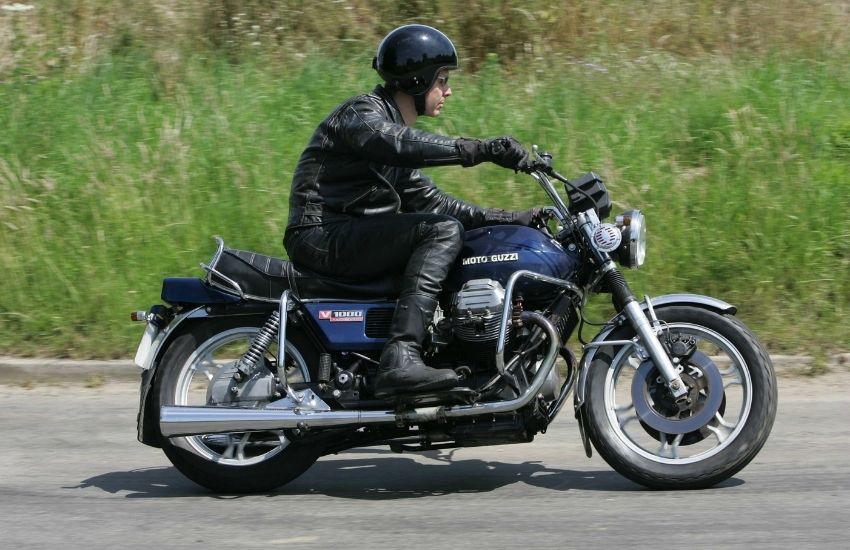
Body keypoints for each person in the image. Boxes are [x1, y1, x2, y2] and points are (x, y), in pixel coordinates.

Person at [283, 24, 541, 398]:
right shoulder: (362, 116)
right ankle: (400, 357)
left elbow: (432, 202)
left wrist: (511, 218)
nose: (448, 90)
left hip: (345, 235)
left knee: (447, 227)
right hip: (320, 234)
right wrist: (480, 149)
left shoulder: (392, 137)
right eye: (442, 80)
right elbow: (398, 144)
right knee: (440, 231)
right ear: (417, 81)